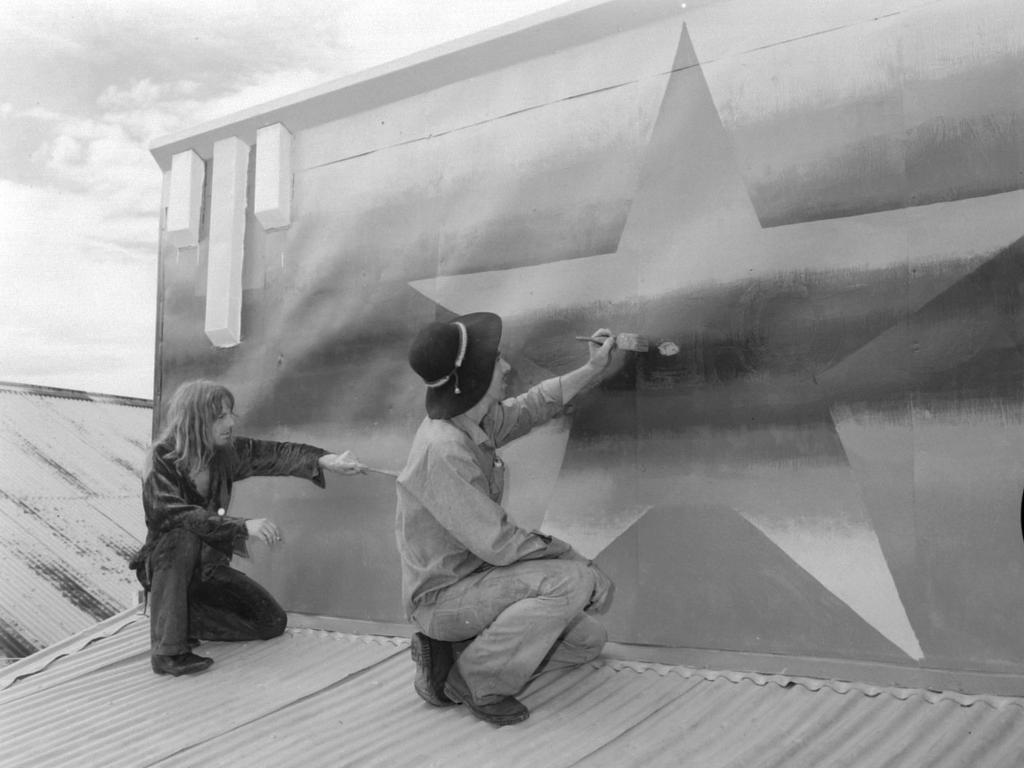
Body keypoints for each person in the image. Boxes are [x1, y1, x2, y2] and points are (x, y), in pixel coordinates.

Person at [396, 312, 618, 726]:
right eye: (495, 360)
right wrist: (576, 559)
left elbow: (533, 407)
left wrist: (592, 368)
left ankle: (458, 651)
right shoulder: (443, 449)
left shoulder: (469, 420)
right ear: (473, 378)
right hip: (444, 598)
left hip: (477, 582)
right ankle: (472, 679)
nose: (507, 367)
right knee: (572, 582)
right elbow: (499, 543)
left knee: (589, 641)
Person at [130, 379, 366, 677]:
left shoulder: (223, 452)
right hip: (169, 567)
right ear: (194, 420)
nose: (230, 423)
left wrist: (327, 460)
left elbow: (276, 454)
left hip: (207, 569)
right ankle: (168, 651)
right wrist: (243, 527)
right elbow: (175, 515)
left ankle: (181, 619)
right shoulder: (160, 460)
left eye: (231, 414)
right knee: (182, 535)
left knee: (271, 621)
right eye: (219, 417)